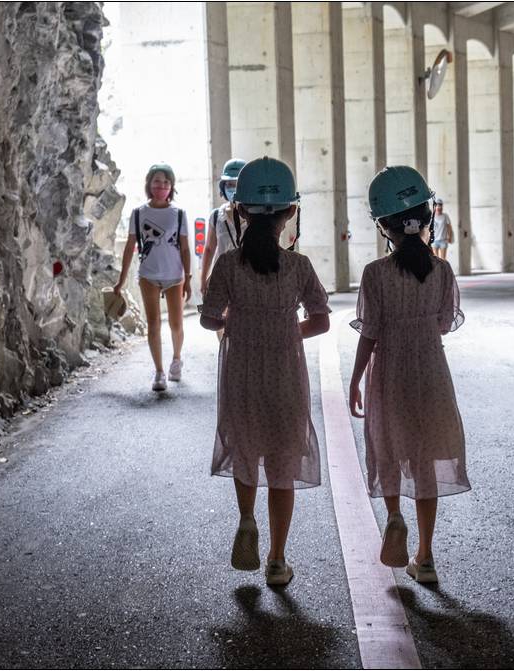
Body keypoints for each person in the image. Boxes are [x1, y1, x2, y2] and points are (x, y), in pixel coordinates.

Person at [200, 156, 331, 588]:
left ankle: (245, 519)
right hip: (285, 374)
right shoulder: (299, 266)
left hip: (240, 372)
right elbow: (322, 319)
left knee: (246, 448)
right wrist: (285, 328)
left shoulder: (227, 266)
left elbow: (208, 318)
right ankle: (277, 558)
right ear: (290, 212)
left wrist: (234, 323)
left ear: (238, 210)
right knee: (282, 460)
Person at [348, 166, 470, 584]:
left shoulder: (375, 274)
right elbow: (442, 323)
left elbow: (369, 332)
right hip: (431, 372)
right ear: (428, 217)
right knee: (424, 459)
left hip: (390, 372)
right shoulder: (442, 272)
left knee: (389, 448)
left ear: (383, 225)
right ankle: (426, 555)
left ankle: (395, 515)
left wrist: (354, 380)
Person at [114, 163, 193, 392]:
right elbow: (130, 248)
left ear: (172, 187)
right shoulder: (138, 213)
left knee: (176, 324)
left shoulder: (178, 214)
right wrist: (120, 281)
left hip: (174, 276)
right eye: (157, 181)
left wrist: (187, 278)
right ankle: (159, 372)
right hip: (148, 275)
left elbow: (185, 249)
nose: (161, 186)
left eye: (166, 182)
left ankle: (176, 360)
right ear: (149, 184)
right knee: (153, 324)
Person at [200, 158, 247, 342]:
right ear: (222, 186)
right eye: (229, 184)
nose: (233, 188)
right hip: (221, 277)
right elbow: (209, 248)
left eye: (237, 184)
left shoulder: (253, 213)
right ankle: (226, 355)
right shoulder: (216, 216)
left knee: (243, 319)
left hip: (247, 275)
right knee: (220, 320)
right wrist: (204, 278)